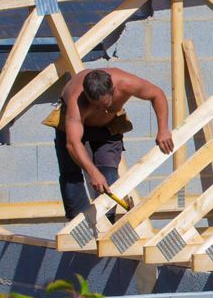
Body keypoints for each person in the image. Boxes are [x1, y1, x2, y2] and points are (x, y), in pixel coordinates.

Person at [53, 66, 174, 218]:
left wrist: (163, 129)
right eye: (94, 105)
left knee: (108, 172)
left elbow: (157, 94)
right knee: (71, 174)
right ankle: (77, 224)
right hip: (74, 130)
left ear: (113, 91)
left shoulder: (126, 83)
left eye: (103, 105)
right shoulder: (77, 101)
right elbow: (73, 143)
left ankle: (106, 222)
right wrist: (92, 172)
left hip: (107, 128)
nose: (98, 109)